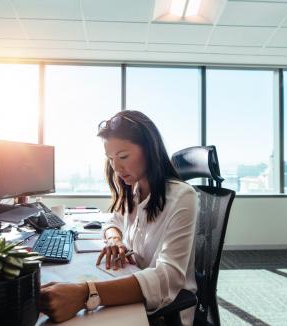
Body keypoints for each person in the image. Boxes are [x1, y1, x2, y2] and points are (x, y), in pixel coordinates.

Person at [39, 110, 198, 325]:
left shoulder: (182, 196)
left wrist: (86, 294)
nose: (116, 167)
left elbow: (168, 276)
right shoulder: (134, 190)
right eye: (110, 159)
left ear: (150, 150)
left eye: (123, 156)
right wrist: (115, 239)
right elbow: (113, 222)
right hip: (131, 284)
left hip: (163, 311)